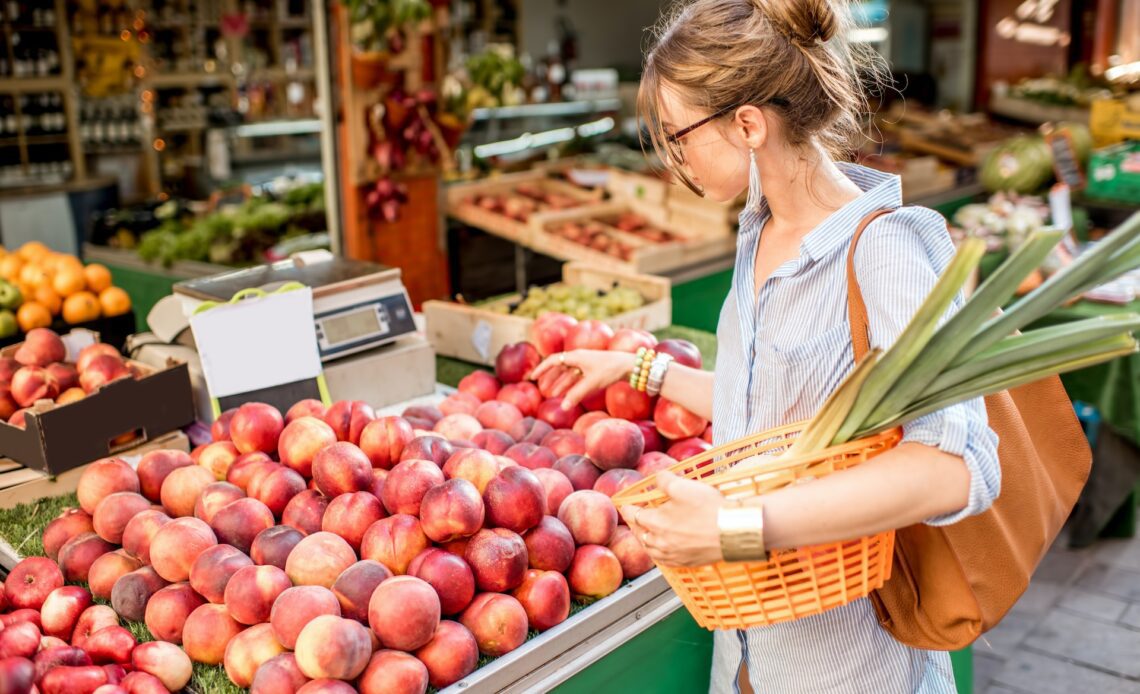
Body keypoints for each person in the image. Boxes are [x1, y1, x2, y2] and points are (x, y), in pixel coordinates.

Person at [529, 1, 1000, 692]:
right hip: (750, 657)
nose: (674, 159)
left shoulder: (887, 250)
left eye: (677, 135)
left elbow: (956, 468)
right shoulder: (761, 232)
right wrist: (639, 370)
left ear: (748, 124)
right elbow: (763, 410)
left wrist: (737, 527)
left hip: (852, 667)